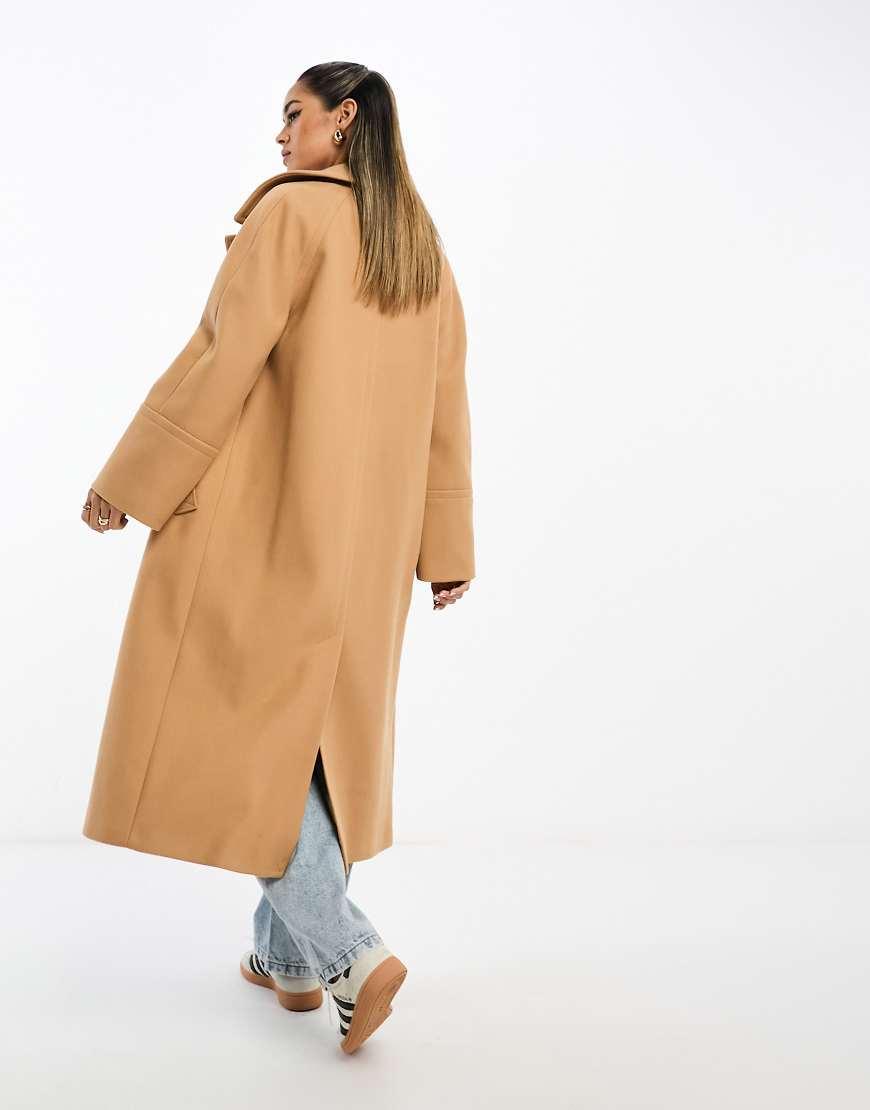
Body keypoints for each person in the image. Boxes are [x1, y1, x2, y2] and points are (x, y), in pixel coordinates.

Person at [80, 61, 475, 1055]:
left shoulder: (291, 216)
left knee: (242, 735)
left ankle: (348, 951)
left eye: (293, 114)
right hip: (369, 547)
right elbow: (446, 410)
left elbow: (221, 357)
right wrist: (445, 547)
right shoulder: (418, 243)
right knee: (317, 743)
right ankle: (288, 959)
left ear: (343, 120)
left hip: (268, 525)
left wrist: (131, 480)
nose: (280, 134)